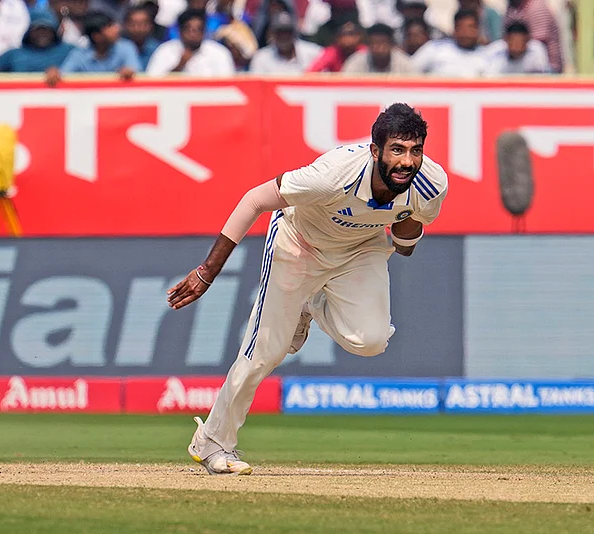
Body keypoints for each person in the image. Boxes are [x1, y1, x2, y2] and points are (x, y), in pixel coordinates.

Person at [168, 103, 448, 475]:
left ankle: (310, 301)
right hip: (300, 242)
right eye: (397, 150)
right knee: (265, 350)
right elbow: (253, 199)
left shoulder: (432, 184)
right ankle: (214, 442)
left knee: (371, 341)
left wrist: (407, 219)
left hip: (359, 249)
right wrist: (207, 271)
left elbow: (405, 240)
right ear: (375, 150)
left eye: (415, 151)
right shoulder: (333, 175)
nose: (407, 162)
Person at [145, 8, 234, 76]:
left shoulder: (219, 52)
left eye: (198, 29)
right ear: (180, 31)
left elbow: (229, 82)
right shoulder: (165, 51)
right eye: (189, 29)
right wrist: (180, 65)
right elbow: (153, 84)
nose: (193, 34)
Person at [341, 22, 414, 74]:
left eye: (383, 43)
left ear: (392, 45)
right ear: (368, 45)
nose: (379, 48)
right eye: (374, 43)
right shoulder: (355, 62)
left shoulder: (404, 63)